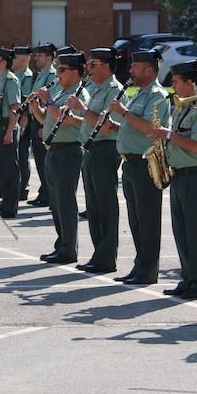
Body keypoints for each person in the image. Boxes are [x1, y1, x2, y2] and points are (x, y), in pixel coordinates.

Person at [151, 60, 197, 299]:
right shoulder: (182, 105)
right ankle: (188, 277)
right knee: (181, 231)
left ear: (190, 83)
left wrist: (168, 135)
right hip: (180, 175)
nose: (173, 86)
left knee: (196, 232)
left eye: (176, 81)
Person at [109, 49, 170, 285]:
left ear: (149, 70)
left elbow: (152, 129)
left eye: (135, 67)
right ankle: (139, 266)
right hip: (130, 163)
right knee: (135, 220)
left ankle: (148, 270)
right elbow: (133, 126)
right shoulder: (139, 94)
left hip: (146, 163)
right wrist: (115, 125)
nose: (131, 71)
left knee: (147, 220)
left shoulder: (158, 96)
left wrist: (123, 113)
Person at [68, 47, 126, 274]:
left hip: (105, 148)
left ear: (107, 66)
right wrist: (72, 116)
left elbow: (107, 126)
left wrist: (82, 110)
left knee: (105, 205)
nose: (88, 69)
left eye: (93, 65)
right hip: (90, 148)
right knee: (93, 206)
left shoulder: (115, 90)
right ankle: (98, 255)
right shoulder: (93, 88)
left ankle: (107, 257)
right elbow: (88, 122)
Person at [32, 52, 90, 263]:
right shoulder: (59, 91)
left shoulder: (78, 94)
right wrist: (35, 107)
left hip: (68, 150)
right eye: (57, 69)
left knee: (65, 202)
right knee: (56, 203)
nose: (58, 74)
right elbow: (45, 119)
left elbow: (64, 120)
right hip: (53, 149)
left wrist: (47, 101)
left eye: (62, 70)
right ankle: (62, 245)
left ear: (75, 73)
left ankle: (68, 249)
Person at [0, 47, 22, 218]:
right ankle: (5, 201)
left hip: (5, 127)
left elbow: (15, 108)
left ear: (3, 62)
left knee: (9, 169)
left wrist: (9, 131)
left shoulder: (10, 80)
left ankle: (10, 206)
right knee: (0, 167)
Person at [27, 43, 57, 207]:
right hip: (35, 119)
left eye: (40, 56)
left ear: (49, 58)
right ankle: (44, 191)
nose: (36, 58)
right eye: (36, 55)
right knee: (39, 160)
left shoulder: (51, 75)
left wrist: (42, 126)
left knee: (44, 160)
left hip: (42, 121)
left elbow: (50, 99)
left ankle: (48, 193)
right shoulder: (41, 74)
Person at [12, 46, 34, 201]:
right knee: (18, 154)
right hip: (17, 119)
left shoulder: (26, 76)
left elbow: (25, 104)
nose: (12, 60)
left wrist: (23, 125)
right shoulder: (17, 75)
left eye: (14, 57)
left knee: (22, 155)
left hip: (23, 120)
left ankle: (23, 187)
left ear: (23, 59)